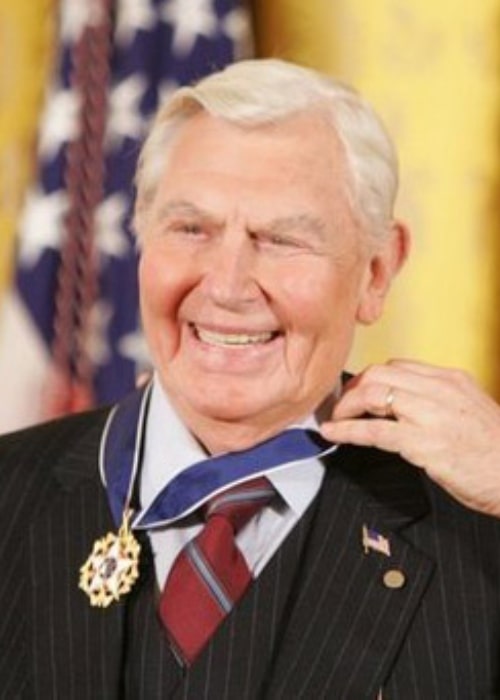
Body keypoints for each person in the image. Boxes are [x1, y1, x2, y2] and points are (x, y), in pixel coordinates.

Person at [1, 58, 500, 699]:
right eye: (191, 229)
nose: (228, 286)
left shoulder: (477, 531)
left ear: (376, 272)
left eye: (282, 239)